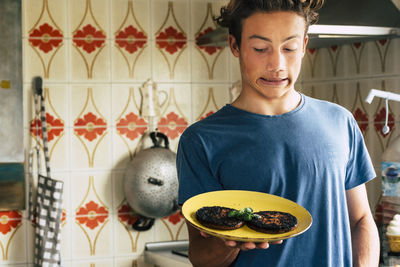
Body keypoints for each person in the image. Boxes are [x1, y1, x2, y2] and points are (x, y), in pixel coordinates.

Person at [176, 0, 380, 266]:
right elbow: (201, 257)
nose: (277, 64)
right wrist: (231, 240)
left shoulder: (340, 121)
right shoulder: (201, 140)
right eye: (260, 48)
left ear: (304, 46)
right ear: (235, 46)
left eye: (290, 48)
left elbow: (361, 219)